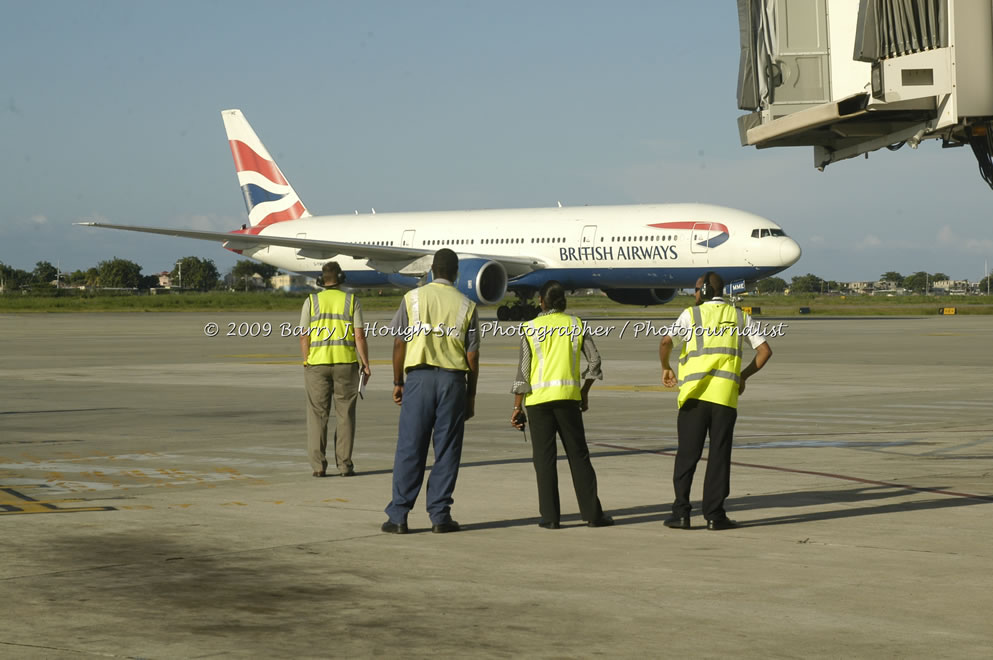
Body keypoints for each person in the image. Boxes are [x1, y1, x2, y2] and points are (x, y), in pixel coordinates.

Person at [659, 271, 772, 530]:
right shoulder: (740, 316)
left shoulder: (691, 314)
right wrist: (743, 376)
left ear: (705, 292)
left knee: (687, 456)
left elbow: (666, 342)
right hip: (724, 398)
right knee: (719, 456)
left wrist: (665, 367)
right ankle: (714, 515)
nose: (694, 294)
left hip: (694, 397)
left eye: (696, 289)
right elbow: (765, 351)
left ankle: (682, 513)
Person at [382, 249, 480, 534]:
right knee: (447, 450)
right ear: (456, 273)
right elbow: (472, 356)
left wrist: (397, 381)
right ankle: (439, 516)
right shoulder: (467, 305)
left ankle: (399, 515)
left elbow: (400, 343)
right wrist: (470, 396)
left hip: (419, 380)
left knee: (411, 447)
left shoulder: (412, 299)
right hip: (452, 382)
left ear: (432, 271)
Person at [511, 281, 613, 529]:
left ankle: (550, 517)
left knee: (544, 460)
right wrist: (584, 391)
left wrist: (517, 407)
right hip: (568, 399)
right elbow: (595, 361)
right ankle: (592, 514)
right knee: (579, 457)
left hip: (538, 403)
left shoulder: (531, 328)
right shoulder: (576, 325)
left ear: (542, 302)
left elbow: (523, 373)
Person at [300, 261, 370, 478]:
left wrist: (307, 361)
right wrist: (365, 363)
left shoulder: (311, 301)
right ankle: (344, 465)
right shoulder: (351, 300)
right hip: (346, 364)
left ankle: (319, 467)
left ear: (321, 280)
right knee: (345, 415)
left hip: (317, 365)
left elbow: (304, 335)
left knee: (317, 415)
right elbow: (358, 335)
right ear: (341, 278)